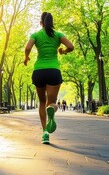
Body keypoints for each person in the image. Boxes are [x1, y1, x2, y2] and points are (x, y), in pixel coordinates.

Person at [24, 12, 74, 144]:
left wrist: (26, 57)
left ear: (41, 23)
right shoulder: (58, 35)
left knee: (41, 102)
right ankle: (52, 108)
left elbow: (28, 47)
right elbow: (71, 46)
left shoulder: (36, 35)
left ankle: (45, 133)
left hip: (39, 71)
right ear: (51, 23)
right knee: (51, 103)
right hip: (53, 71)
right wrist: (63, 51)